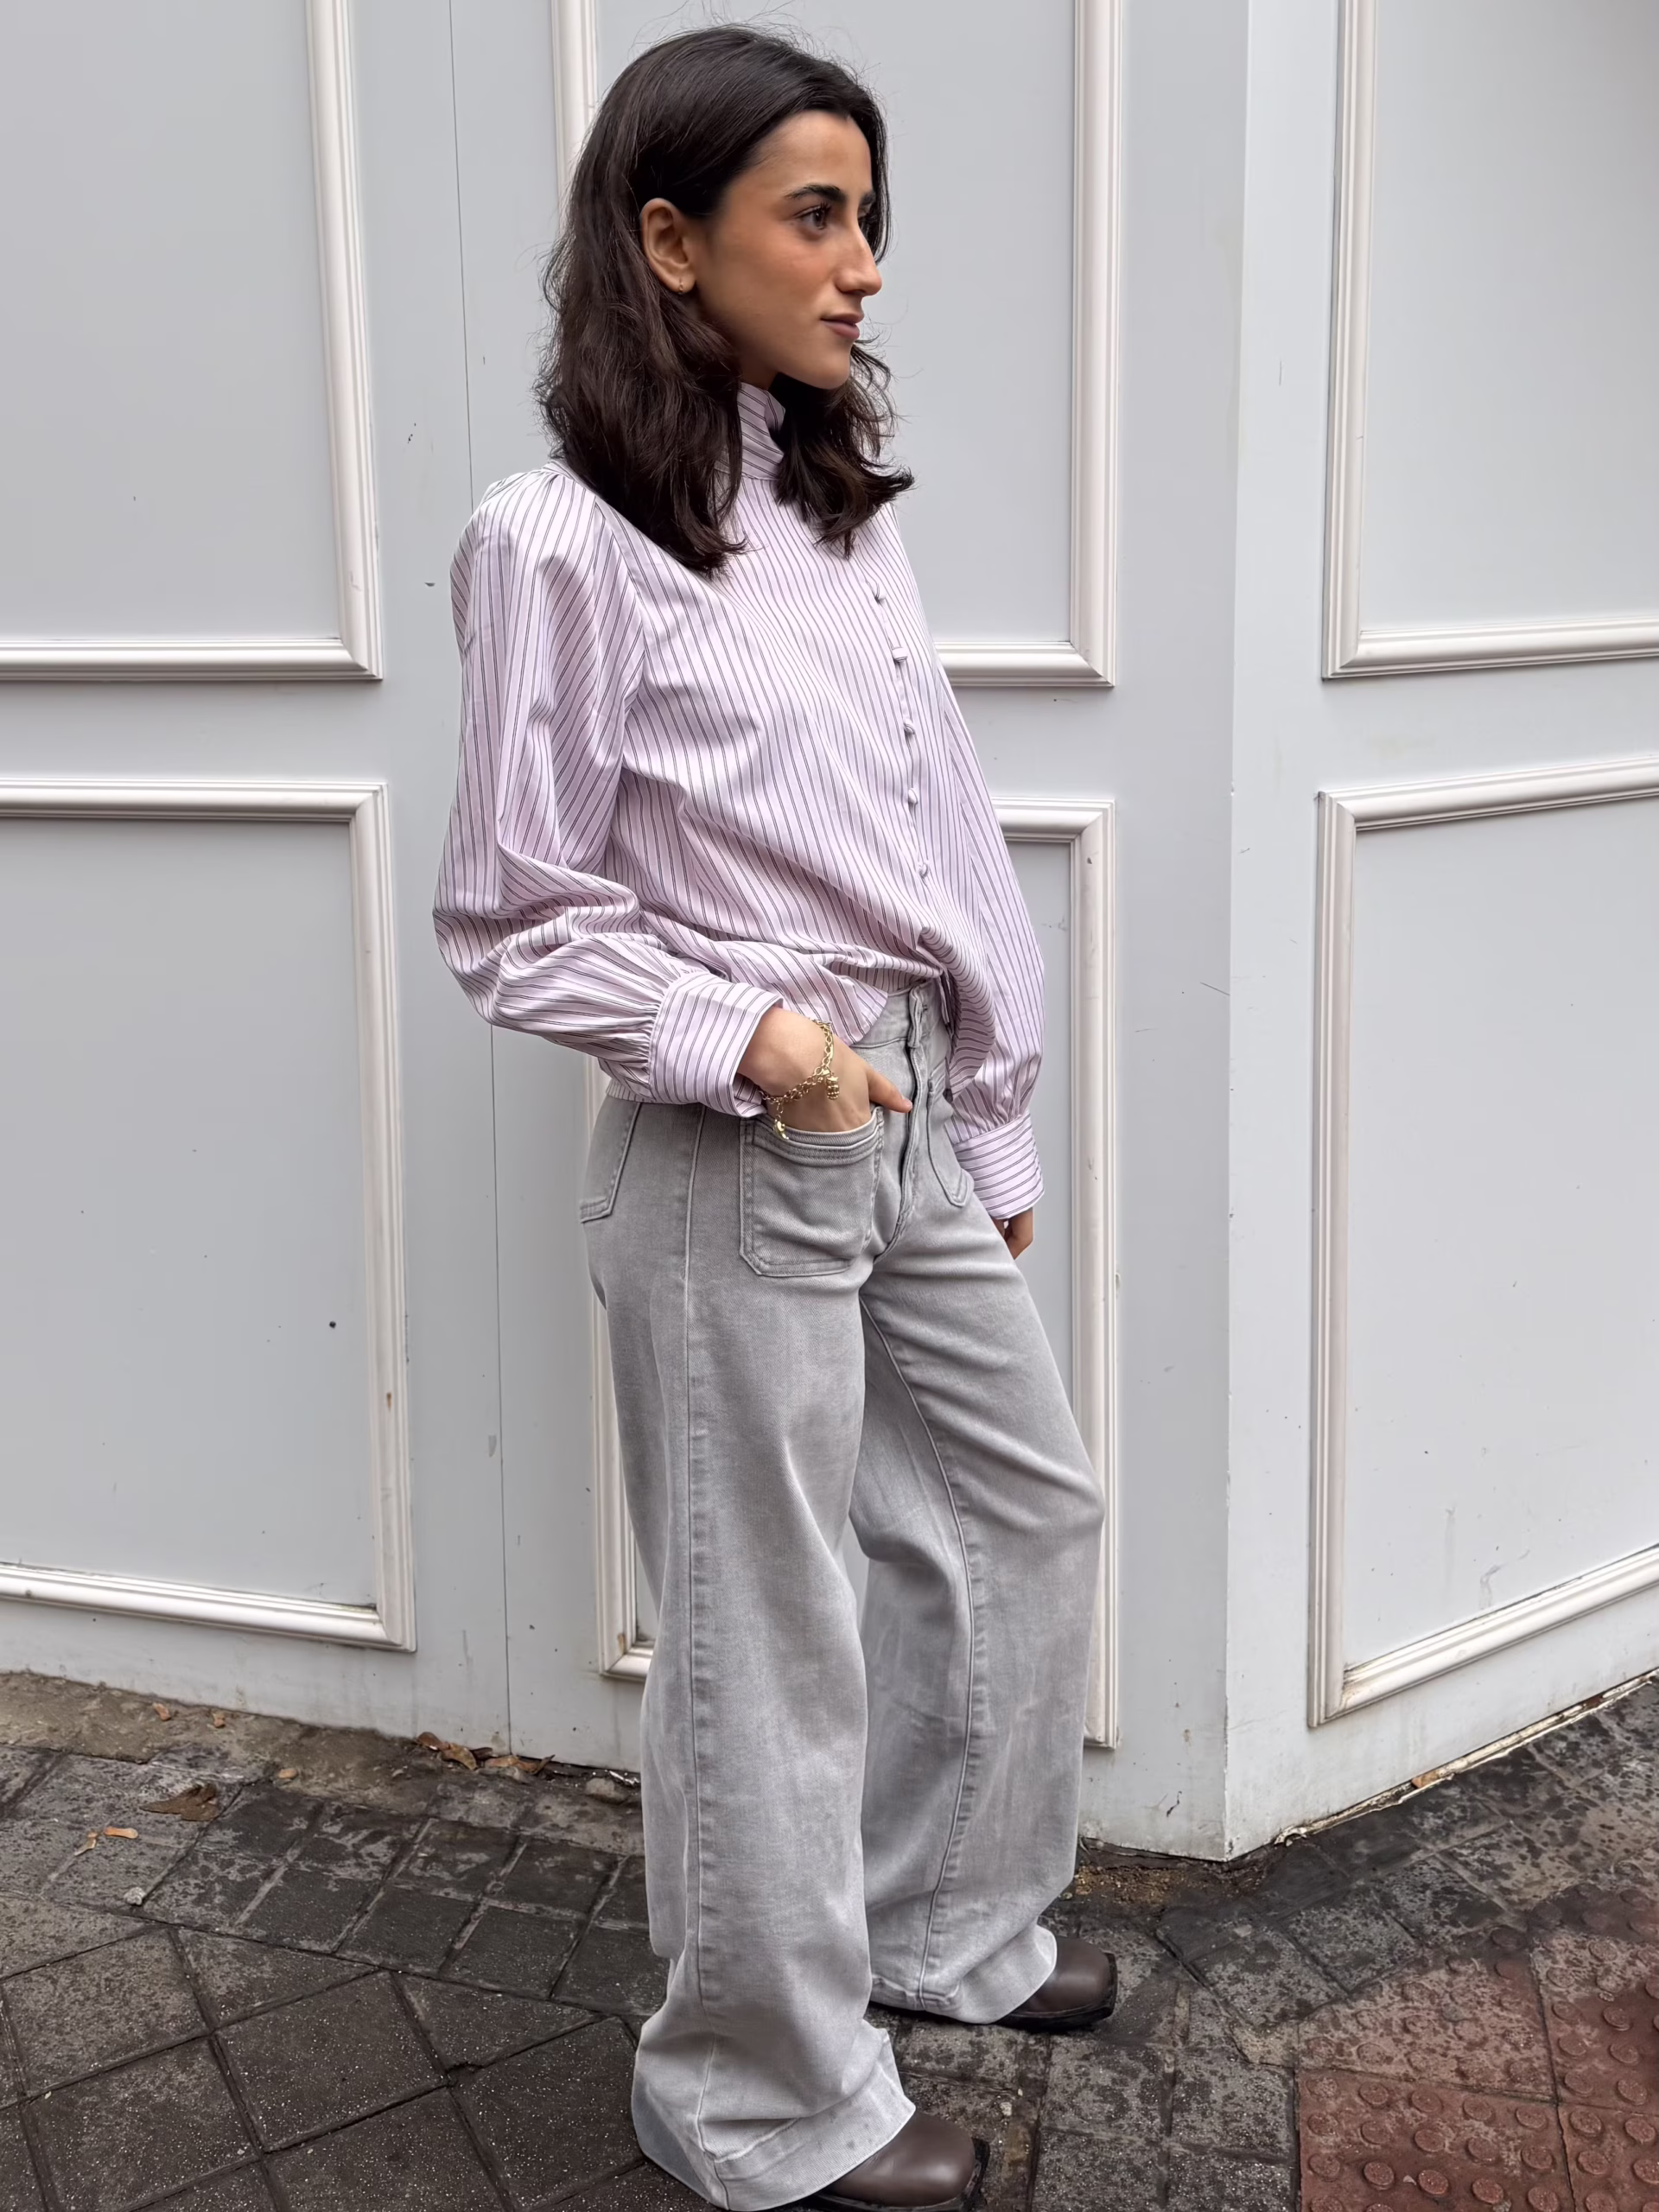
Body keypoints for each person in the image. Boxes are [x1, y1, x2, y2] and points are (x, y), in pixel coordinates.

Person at [434, 27, 1110, 2212]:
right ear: (668, 238)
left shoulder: (833, 513)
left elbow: (937, 819)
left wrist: (986, 1113)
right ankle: (751, 2095)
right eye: (815, 215)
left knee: (1022, 1508)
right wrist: (764, 1043)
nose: (863, 264)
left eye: (868, 216)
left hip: (889, 1105)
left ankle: (942, 1926)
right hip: (742, 1134)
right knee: (765, 1629)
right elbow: (512, 915)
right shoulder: (555, 541)